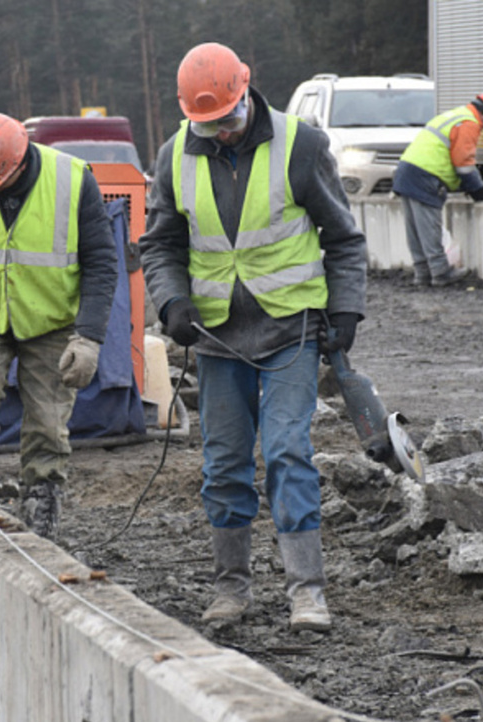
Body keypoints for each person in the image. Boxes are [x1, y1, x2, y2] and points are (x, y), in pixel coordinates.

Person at [138, 42, 368, 631]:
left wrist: (344, 310)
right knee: (224, 465)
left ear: (248, 90)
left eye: (228, 120)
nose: (221, 133)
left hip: (289, 328)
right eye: (207, 125)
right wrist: (171, 302)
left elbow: (342, 237)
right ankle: (231, 589)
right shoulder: (172, 157)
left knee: (290, 452)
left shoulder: (302, 145)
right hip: (217, 338)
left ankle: (307, 591)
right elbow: (160, 243)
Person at [0, 112, 119, 539]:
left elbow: (101, 263)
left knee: (47, 423)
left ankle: (39, 517)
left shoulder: (70, 180)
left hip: (51, 317)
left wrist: (88, 338)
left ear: (20, 163)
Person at [392, 92, 483, 286]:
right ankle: (440, 272)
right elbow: (464, 164)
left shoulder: (455, 115)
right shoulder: (470, 123)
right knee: (428, 226)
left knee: (415, 229)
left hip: (406, 170)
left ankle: (422, 274)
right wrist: (480, 193)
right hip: (425, 175)